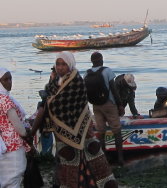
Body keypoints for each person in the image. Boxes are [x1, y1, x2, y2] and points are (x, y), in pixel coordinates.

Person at [31, 51, 118, 188]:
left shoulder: (76, 81)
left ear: (70, 65)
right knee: (67, 161)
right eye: (58, 64)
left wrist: (47, 102)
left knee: (92, 156)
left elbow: (57, 102)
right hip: (62, 132)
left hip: (82, 129)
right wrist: (48, 101)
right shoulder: (55, 81)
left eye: (64, 64)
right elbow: (51, 98)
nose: (60, 67)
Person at [86, 52, 125, 166]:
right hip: (109, 104)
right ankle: (120, 159)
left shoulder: (87, 74)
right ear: (101, 60)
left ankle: (104, 158)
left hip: (96, 105)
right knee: (117, 131)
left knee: (101, 132)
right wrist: (120, 105)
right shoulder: (107, 71)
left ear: (92, 61)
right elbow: (113, 90)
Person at [0, 67, 31, 188]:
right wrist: (27, 134)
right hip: (13, 146)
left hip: (2, 146)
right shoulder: (6, 101)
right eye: (5, 79)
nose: (9, 82)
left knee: (4, 180)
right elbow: (19, 128)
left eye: (10, 78)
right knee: (14, 179)